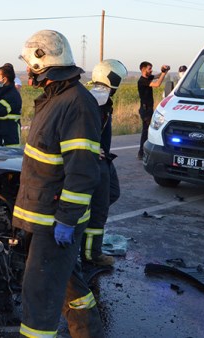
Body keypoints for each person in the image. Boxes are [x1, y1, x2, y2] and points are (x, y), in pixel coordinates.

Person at [14, 30, 104, 337]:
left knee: (38, 293)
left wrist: (66, 219)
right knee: (66, 282)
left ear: (44, 63)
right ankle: (88, 331)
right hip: (46, 218)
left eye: (31, 65)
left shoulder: (76, 104)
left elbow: (82, 172)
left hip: (56, 222)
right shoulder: (55, 100)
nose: (27, 71)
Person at [81, 59, 127, 266]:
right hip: (94, 161)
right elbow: (79, 128)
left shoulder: (102, 99)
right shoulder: (96, 100)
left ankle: (86, 235)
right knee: (99, 210)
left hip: (104, 159)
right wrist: (90, 148)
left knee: (112, 194)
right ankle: (92, 254)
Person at [137, 61, 169, 160]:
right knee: (146, 131)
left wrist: (164, 70)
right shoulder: (142, 81)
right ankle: (141, 153)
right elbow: (157, 84)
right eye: (149, 69)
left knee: (147, 130)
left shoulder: (148, 77)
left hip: (148, 108)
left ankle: (142, 152)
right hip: (145, 109)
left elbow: (157, 76)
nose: (151, 71)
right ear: (143, 69)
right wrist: (163, 74)